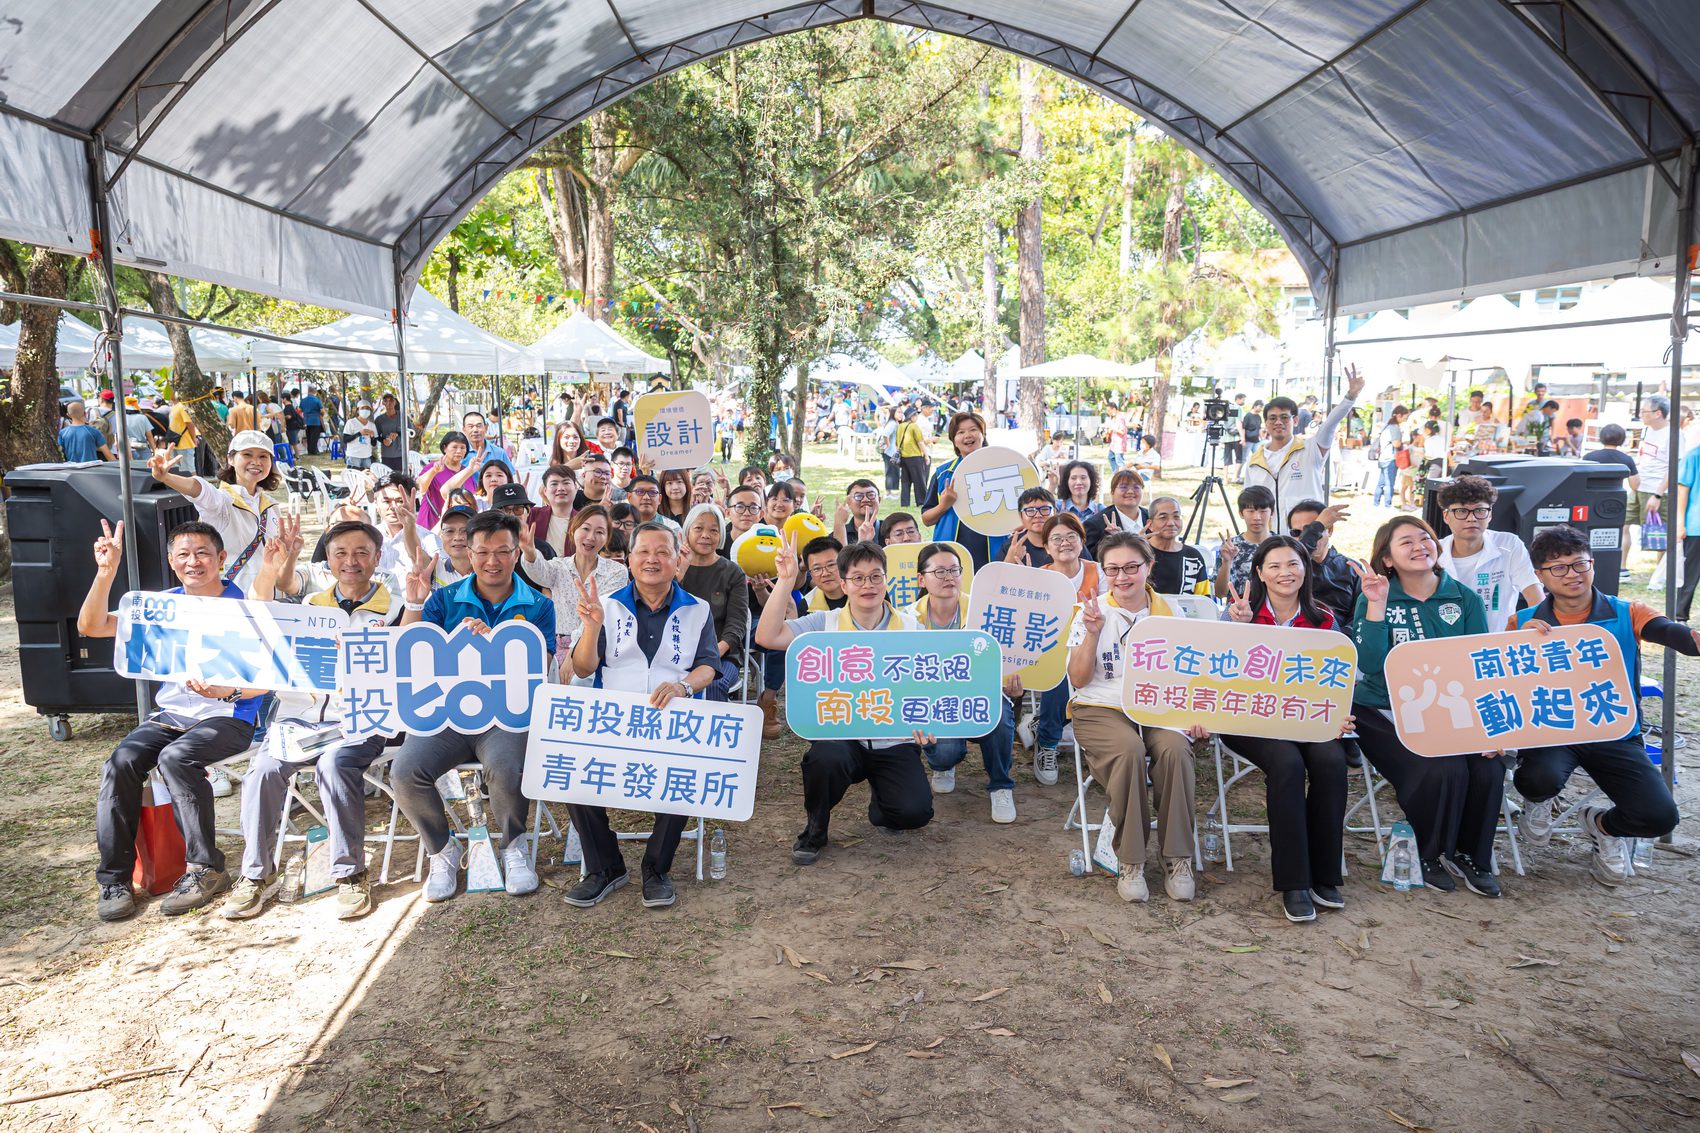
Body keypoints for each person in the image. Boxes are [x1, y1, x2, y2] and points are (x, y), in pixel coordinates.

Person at [78, 520, 265, 921]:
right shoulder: (161, 606)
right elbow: (91, 627)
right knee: (120, 763)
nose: (193, 561)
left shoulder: (247, 608)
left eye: (202, 553)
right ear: (171, 561)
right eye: (183, 554)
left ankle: (206, 869)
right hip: (172, 715)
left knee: (177, 758)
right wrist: (105, 573)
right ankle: (115, 879)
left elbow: (266, 682)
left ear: (221, 559)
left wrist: (226, 691)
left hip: (229, 714)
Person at [225, 516, 401, 920]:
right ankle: (256, 875)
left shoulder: (394, 608)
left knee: (335, 766)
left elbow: (407, 659)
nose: (351, 560)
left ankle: (350, 873)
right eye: (341, 553)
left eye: (361, 552)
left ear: (377, 557)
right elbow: (259, 614)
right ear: (328, 560)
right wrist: (270, 569)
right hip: (299, 720)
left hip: (360, 721)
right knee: (263, 770)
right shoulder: (310, 607)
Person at [1512, 525, 1692, 884]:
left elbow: (1673, 634)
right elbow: (1502, 681)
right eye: (1558, 568)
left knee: (1658, 816)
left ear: (1593, 564)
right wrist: (1517, 642)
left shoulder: (1628, 612)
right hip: (1553, 729)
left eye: (1580, 564)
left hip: (1614, 729)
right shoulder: (1524, 621)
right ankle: (1539, 801)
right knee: (1536, 778)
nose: (1572, 575)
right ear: (1539, 575)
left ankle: (1604, 827)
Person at [391, 510, 553, 903]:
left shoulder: (538, 604)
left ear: (518, 553)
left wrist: (497, 644)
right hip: (446, 715)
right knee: (405, 771)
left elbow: (541, 666)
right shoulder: (444, 598)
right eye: (482, 551)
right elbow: (409, 654)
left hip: (504, 717)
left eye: (502, 551)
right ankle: (442, 850)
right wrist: (414, 605)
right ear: (469, 550)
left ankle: (513, 846)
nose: (491, 561)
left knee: (506, 767)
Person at [565, 522, 722, 909]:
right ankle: (605, 868)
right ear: (629, 560)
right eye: (643, 552)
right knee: (571, 774)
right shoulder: (609, 606)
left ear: (677, 558)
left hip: (671, 724)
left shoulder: (697, 609)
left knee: (687, 774)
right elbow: (583, 669)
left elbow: (709, 666)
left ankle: (656, 867)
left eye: (662, 552)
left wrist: (685, 686)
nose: (653, 559)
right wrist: (590, 628)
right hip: (614, 724)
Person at [1350, 516, 1502, 897]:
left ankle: (1471, 855)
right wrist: (1377, 605)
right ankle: (1428, 850)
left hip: (1452, 708)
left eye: (1426, 538)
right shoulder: (1373, 596)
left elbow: (1477, 663)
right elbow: (1368, 663)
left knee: (1488, 767)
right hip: (1383, 711)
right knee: (1440, 767)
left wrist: (1483, 728)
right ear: (1386, 558)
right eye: (1407, 542)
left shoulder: (1462, 597)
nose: (1420, 546)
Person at [756, 539, 931, 864]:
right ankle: (815, 828)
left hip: (893, 741)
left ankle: (882, 803)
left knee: (914, 813)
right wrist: (784, 579)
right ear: (843, 583)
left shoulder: (912, 628)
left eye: (876, 576)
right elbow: (767, 637)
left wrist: (929, 723)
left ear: (886, 580)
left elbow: (930, 686)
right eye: (858, 578)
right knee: (826, 758)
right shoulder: (824, 623)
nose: (868, 585)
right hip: (840, 736)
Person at [1219, 536, 1352, 922]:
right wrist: (1239, 630)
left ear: (1305, 569)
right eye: (1274, 566)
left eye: (1293, 564)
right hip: (1249, 719)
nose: (1284, 573)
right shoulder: (1240, 613)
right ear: (1259, 572)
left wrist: (1339, 713)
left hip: (1305, 717)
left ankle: (1325, 874)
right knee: (1288, 764)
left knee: (1331, 761)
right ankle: (1294, 881)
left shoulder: (1323, 618)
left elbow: (1336, 679)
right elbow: (1220, 678)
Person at [1065, 532, 1198, 903]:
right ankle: (1131, 859)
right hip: (1101, 707)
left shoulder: (1172, 613)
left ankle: (1177, 856)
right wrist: (1091, 634)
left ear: (1149, 567)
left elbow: (1196, 675)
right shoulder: (1090, 611)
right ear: (1103, 572)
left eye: (1131, 567)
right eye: (1113, 569)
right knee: (1128, 751)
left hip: (1160, 706)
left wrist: (1197, 715)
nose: (1122, 577)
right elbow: (1077, 679)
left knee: (1174, 750)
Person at [909, 541, 1020, 822]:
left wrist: (1010, 683)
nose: (949, 577)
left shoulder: (987, 611)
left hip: (981, 694)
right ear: (921, 579)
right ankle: (944, 766)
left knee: (1000, 711)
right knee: (944, 753)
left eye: (954, 570)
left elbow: (1007, 657)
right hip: (936, 701)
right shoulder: (908, 620)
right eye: (940, 571)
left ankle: (1000, 785)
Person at [146, 429, 282, 598]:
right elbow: (200, 490)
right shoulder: (221, 501)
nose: (256, 462)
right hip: (235, 601)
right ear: (231, 459)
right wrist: (167, 478)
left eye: (263, 456)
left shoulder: (271, 506)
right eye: (247, 455)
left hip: (272, 601)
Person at [1244, 366, 1365, 520]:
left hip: (1305, 537)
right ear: (1266, 423)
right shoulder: (1254, 460)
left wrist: (1351, 396)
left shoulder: (1311, 448)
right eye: (1273, 418)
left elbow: (1330, 424)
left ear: (1295, 420)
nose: (1278, 422)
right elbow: (1249, 502)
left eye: (1284, 417)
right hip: (1270, 539)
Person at [1436, 475, 1543, 633]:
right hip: (1447, 644)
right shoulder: (1434, 553)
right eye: (1461, 511)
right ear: (1446, 516)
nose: (1471, 518)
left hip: (1497, 646)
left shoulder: (1509, 545)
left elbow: (1533, 591)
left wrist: (1537, 624)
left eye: (1479, 510)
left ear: (1490, 514)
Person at [524, 504, 627, 661]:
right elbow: (539, 572)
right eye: (585, 529)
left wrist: (574, 653)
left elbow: (602, 614)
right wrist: (530, 552)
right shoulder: (559, 566)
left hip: (593, 647)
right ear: (573, 530)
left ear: (606, 538)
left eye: (600, 532)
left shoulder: (616, 572)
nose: (591, 537)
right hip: (555, 646)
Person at [679, 503, 750, 700]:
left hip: (721, 655)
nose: (705, 535)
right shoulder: (673, 567)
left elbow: (736, 624)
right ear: (687, 531)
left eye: (713, 530)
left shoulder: (732, 572)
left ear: (720, 536)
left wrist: (712, 653)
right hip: (675, 651)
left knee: (713, 685)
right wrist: (680, 575)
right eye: (698, 528)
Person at [1287, 500, 1361, 628]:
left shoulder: (1352, 569)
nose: (1304, 538)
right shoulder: (1286, 568)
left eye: (1310, 530)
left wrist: (1341, 640)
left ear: (1330, 530)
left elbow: (1359, 617)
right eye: (1296, 533)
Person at [369, 471, 440, 580]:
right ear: (376, 503)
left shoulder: (428, 538)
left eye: (400, 501)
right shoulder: (368, 537)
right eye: (386, 501)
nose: (393, 507)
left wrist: (409, 527)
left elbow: (433, 574)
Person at [1634, 396, 1672, 588]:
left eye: (1644, 412)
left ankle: (1661, 576)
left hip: (1657, 490)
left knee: (1661, 534)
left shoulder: (1673, 434)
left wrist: (1658, 494)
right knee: (1625, 524)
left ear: (1658, 413)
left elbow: (1674, 467)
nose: (1641, 415)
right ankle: (1623, 569)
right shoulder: (1647, 430)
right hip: (1640, 485)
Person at [1214, 485, 1275, 598]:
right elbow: (1220, 593)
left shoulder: (1281, 545)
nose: (1257, 517)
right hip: (1237, 611)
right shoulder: (1230, 547)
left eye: (1263, 511)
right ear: (1241, 513)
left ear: (1272, 512)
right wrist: (1227, 562)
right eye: (1251, 511)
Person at [1144, 496, 1208, 594]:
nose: (1171, 523)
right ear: (1150, 524)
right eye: (1163, 517)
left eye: (1176, 517)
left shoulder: (1193, 556)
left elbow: (1204, 599)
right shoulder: (1140, 552)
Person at [1083, 469, 1148, 559]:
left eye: (1136, 487)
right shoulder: (1095, 524)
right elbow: (1090, 559)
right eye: (1123, 487)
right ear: (1112, 493)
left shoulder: (1153, 518)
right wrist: (1111, 540)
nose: (1130, 491)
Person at [415, 431, 474, 528]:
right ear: (444, 448)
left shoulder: (468, 471)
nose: (459, 451)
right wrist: (433, 471)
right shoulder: (433, 467)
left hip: (457, 525)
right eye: (454, 447)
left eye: (462, 448)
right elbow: (419, 487)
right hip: (431, 523)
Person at [1002, 487, 1057, 568]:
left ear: (1054, 512)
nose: (1038, 515)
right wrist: (1009, 560)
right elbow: (995, 579)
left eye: (1045, 509)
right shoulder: (1011, 547)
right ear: (1021, 516)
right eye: (1030, 510)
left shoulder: (1068, 541)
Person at [531, 464, 577, 557]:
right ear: (545, 491)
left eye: (566, 483)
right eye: (554, 484)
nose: (560, 488)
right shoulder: (532, 514)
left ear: (576, 488)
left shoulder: (584, 520)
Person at [1371, 405, 1409, 507]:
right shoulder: (1395, 428)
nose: (1405, 420)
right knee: (1389, 483)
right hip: (1390, 458)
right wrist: (1404, 443)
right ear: (1399, 415)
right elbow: (1396, 444)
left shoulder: (1386, 426)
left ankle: (1376, 502)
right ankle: (1387, 504)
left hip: (1383, 458)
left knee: (1381, 483)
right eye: (1405, 417)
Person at [800, 536, 848, 611]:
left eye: (831, 565)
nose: (825, 573)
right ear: (810, 573)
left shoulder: (865, 593)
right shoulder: (806, 605)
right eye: (817, 569)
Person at [896, 405, 929, 507]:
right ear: (912, 416)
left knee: (905, 481)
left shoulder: (900, 426)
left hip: (904, 457)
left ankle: (904, 503)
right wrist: (926, 456)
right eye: (915, 415)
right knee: (919, 480)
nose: (917, 417)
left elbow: (897, 442)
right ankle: (921, 501)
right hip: (915, 457)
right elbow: (920, 442)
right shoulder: (914, 426)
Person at [833, 479, 883, 546]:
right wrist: (839, 523)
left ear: (879, 500)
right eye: (858, 496)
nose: (865, 499)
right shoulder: (839, 534)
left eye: (871, 495)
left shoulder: (891, 530)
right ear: (849, 502)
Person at [373, 392, 407, 473]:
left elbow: (411, 432)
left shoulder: (403, 417)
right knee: (388, 478)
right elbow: (376, 435)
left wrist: (398, 434)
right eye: (386, 400)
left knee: (401, 478)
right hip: (387, 455)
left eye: (391, 400)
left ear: (395, 402)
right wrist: (383, 440)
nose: (388, 403)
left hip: (401, 454)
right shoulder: (379, 419)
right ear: (383, 403)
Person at [343, 401, 377, 470]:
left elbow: (374, 443)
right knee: (354, 478)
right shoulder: (351, 422)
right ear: (358, 410)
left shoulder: (372, 425)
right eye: (362, 408)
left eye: (367, 408)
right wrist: (359, 434)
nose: (365, 410)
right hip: (353, 456)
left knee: (366, 478)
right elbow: (345, 440)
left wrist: (372, 437)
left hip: (367, 456)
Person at [300, 387, 324, 455]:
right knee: (315, 436)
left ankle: (309, 450)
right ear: (314, 392)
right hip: (315, 420)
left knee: (309, 435)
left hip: (306, 420)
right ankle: (314, 450)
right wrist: (321, 415)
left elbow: (300, 410)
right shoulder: (316, 400)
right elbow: (322, 410)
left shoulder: (303, 400)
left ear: (308, 391)